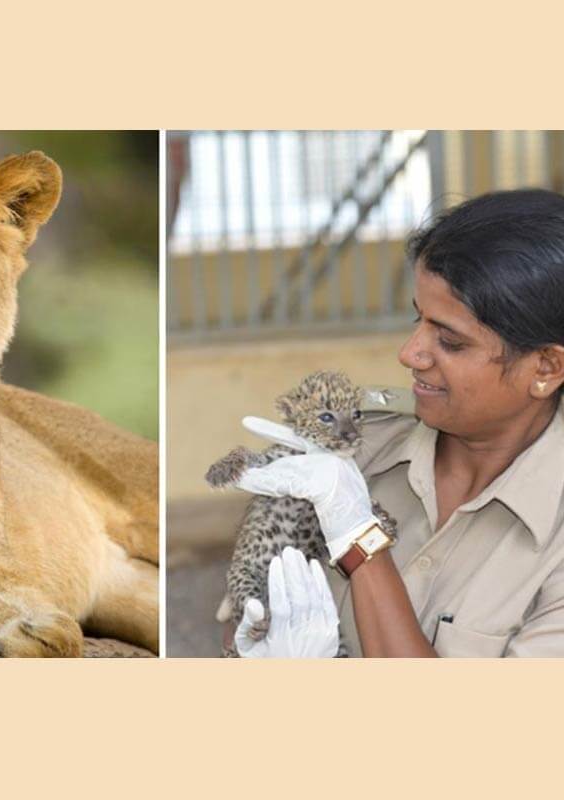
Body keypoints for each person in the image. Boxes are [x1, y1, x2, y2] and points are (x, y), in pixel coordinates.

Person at [231, 189, 564, 657]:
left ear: (546, 368)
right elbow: (245, 607)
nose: (409, 354)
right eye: (417, 319)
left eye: (449, 341)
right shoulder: (353, 448)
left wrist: (359, 539)